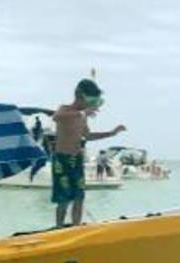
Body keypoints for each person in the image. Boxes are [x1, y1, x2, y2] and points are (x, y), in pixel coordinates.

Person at [52, 79, 126, 227]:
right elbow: (56, 117)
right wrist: (82, 113)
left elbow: (87, 135)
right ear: (79, 95)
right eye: (90, 101)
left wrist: (111, 133)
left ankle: (76, 226)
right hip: (62, 159)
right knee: (64, 198)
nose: (90, 105)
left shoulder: (82, 116)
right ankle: (59, 226)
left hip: (77, 159)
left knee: (79, 197)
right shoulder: (65, 110)